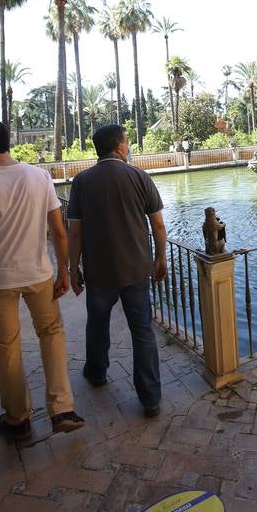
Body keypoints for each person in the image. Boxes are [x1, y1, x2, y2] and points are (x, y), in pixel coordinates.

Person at [0, 118, 84, 442]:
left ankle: (18, 419)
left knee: (8, 348)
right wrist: (64, 272)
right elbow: (58, 230)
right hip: (39, 275)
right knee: (52, 334)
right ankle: (62, 410)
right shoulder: (39, 177)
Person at [67, 124, 167, 417]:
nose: (128, 146)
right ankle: (150, 398)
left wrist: (73, 269)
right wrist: (160, 258)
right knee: (143, 331)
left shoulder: (81, 181)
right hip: (136, 269)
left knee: (97, 324)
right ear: (120, 146)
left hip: (99, 272)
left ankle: (97, 372)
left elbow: (74, 232)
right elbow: (158, 224)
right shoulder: (139, 176)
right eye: (127, 141)